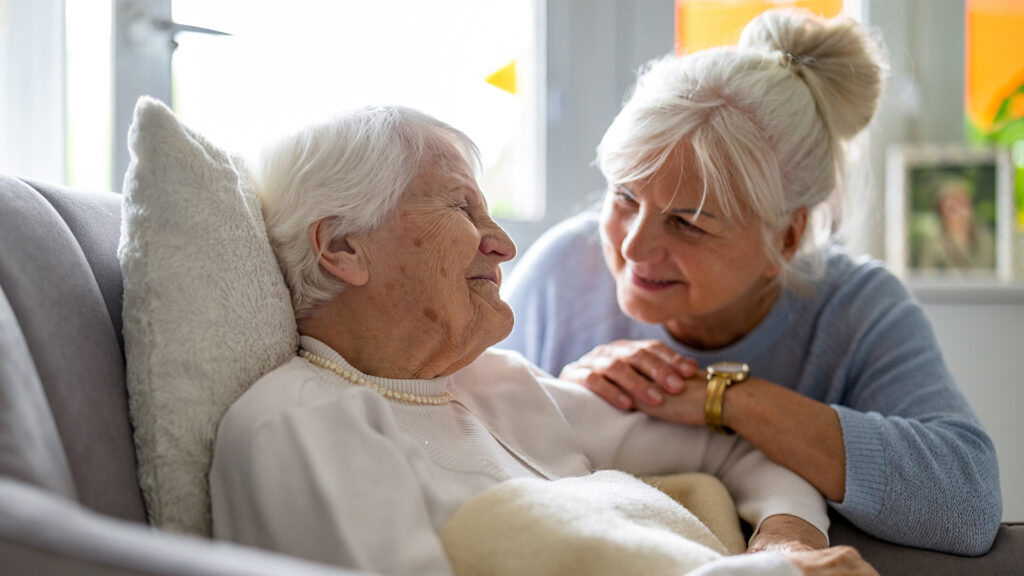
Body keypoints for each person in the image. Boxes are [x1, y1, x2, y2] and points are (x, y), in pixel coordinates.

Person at [208, 104, 878, 576]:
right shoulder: (300, 425)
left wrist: (786, 544)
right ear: (344, 247)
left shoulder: (499, 384)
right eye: (462, 209)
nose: (503, 244)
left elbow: (747, 457)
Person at [500, 9, 1002, 556]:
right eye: (624, 197)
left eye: (686, 222)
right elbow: (464, 444)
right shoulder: (561, 274)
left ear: (786, 239)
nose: (632, 246)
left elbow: (968, 504)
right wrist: (562, 402)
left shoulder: (858, 309)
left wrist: (725, 399)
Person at [914, 175, 996, 271]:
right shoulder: (931, 248)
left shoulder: (988, 239)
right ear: (940, 211)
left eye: (962, 201)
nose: (959, 208)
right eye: (951, 203)